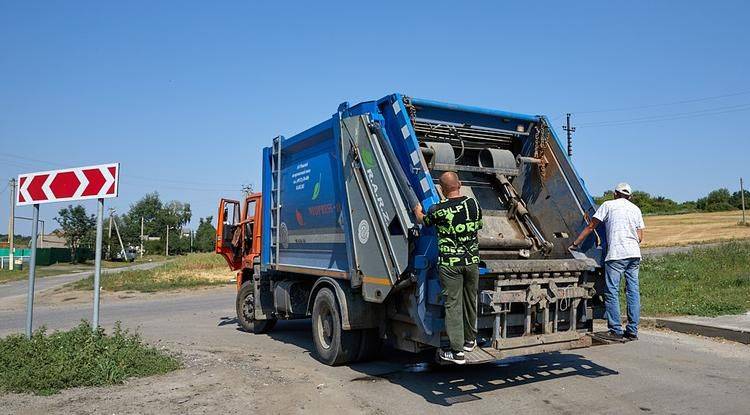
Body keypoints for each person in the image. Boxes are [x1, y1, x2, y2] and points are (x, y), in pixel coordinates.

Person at [414, 171, 483, 364]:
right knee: (470, 301)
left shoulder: (439, 209)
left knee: (453, 305)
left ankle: (457, 352)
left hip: (451, 265)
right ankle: (470, 340)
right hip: (471, 263)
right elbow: (478, 225)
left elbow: (423, 221)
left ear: (442, 190)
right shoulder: (473, 204)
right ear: (459, 184)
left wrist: (417, 210)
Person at [569, 182, 644, 341]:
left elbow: (591, 227)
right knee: (633, 292)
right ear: (629, 196)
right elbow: (640, 237)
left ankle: (615, 330)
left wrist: (575, 244)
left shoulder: (608, 205)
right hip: (634, 255)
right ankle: (632, 331)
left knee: (612, 291)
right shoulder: (636, 209)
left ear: (615, 193)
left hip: (616, 255)